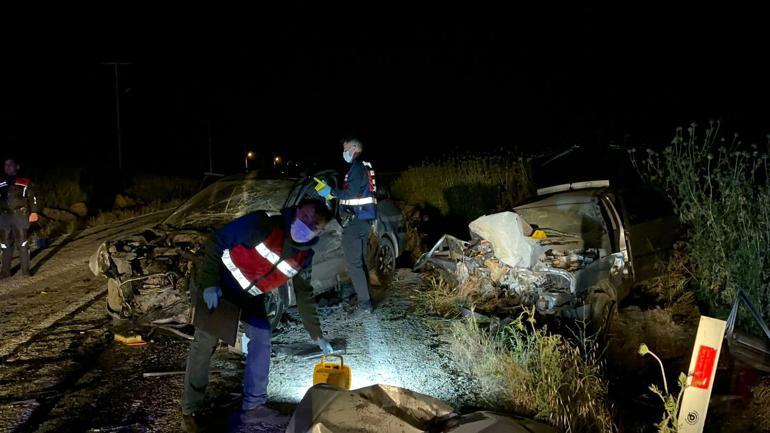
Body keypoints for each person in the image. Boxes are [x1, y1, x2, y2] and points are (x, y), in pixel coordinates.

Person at [181, 199, 334, 432]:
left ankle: (254, 408)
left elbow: (304, 295)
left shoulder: (304, 256)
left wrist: (317, 335)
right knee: (205, 342)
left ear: (320, 231)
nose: (307, 225)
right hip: (222, 286)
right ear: (297, 211)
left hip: (252, 297)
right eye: (305, 217)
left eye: (314, 225)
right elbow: (216, 241)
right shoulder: (261, 224)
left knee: (262, 337)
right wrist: (210, 284)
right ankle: (191, 410)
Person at [316, 138, 377, 315]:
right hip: (364, 219)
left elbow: (351, 193)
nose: (344, 153)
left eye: (345, 149)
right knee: (361, 263)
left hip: (356, 222)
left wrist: (331, 192)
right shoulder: (366, 166)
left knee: (354, 264)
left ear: (353, 148)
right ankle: (367, 299)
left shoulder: (357, 167)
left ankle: (365, 304)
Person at [0, 158, 39, 279]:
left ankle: (26, 271)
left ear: (17, 166)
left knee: (22, 243)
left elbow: (32, 197)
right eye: (6, 165)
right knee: (5, 244)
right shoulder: (1, 182)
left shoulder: (25, 181)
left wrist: (34, 212)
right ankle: (5, 272)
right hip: (4, 216)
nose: (8, 167)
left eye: (11, 164)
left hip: (20, 215)